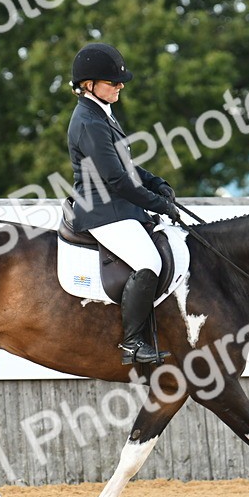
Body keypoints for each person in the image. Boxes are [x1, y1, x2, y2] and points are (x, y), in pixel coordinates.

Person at [66, 42, 182, 366]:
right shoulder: (88, 121)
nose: (120, 86)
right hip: (103, 210)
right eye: (112, 81)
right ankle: (132, 344)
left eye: (120, 81)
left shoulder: (102, 112)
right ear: (88, 85)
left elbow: (127, 166)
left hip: (118, 205)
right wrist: (159, 204)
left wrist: (155, 181)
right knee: (149, 263)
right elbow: (116, 179)